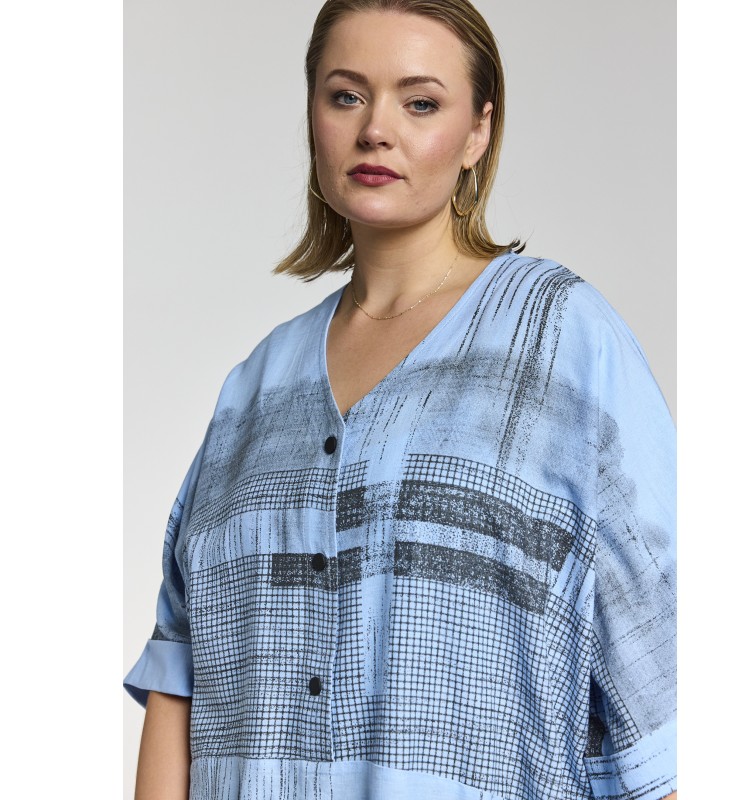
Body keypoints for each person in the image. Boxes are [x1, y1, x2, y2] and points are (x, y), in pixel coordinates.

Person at [125, 1, 677, 798]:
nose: (376, 130)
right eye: (346, 95)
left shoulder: (563, 341)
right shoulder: (255, 386)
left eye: (420, 102)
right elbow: (180, 675)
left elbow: (662, 680)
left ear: (478, 132)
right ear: (313, 114)